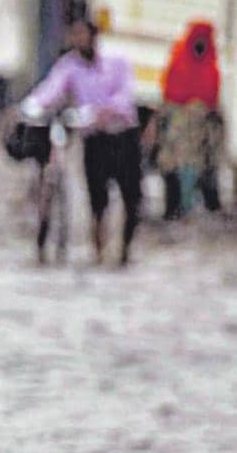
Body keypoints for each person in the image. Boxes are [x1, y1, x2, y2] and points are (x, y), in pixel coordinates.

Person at [24, 17, 146, 266]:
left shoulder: (116, 62)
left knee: (131, 196)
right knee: (97, 196)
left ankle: (124, 249)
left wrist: (107, 110)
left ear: (94, 37)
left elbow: (126, 94)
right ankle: (98, 249)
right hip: (94, 138)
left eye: (83, 35)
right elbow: (50, 91)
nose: (79, 41)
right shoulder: (69, 66)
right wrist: (29, 107)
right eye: (75, 36)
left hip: (123, 135)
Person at [150, 22, 224, 220]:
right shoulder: (179, 60)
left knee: (195, 167)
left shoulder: (211, 65)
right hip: (177, 125)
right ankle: (172, 206)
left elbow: (213, 101)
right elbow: (169, 94)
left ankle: (188, 205)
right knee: (170, 165)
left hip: (199, 130)